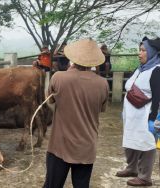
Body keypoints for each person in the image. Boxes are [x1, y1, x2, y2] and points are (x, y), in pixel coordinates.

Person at [43, 39, 109, 188]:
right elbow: (101, 109)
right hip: (86, 146)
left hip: (60, 145)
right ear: (94, 60)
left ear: (73, 58)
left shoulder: (59, 77)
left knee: (52, 185)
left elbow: (50, 101)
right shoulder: (103, 83)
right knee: (81, 185)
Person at [115, 37, 160, 186]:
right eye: (139, 50)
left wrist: (152, 119)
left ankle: (145, 177)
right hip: (132, 113)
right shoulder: (141, 68)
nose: (139, 53)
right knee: (130, 140)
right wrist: (124, 111)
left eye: (143, 50)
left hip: (145, 115)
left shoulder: (156, 70)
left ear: (152, 52)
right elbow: (130, 87)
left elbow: (157, 97)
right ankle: (132, 168)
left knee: (146, 143)